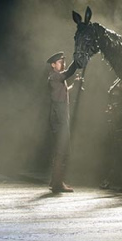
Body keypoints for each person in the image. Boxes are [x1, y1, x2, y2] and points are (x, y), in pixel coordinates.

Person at [47, 51, 79, 193]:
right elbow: (69, 72)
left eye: (63, 61)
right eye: (60, 62)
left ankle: (55, 181)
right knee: (62, 150)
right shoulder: (54, 76)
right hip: (59, 117)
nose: (63, 64)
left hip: (60, 115)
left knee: (60, 150)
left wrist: (74, 86)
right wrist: (77, 61)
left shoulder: (57, 79)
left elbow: (63, 92)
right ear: (53, 65)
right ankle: (57, 184)